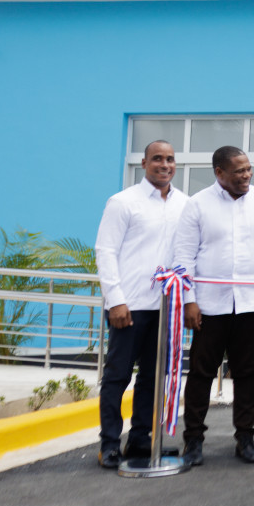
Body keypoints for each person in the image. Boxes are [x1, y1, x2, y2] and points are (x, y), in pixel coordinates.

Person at [173, 145, 254, 466]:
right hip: (208, 306)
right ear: (219, 172)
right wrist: (189, 301)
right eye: (238, 171)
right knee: (201, 373)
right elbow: (184, 255)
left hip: (251, 304)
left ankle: (245, 437)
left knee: (246, 374)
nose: (246, 175)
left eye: (248, 169)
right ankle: (193, 440)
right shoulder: (197, 204)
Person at [94, 140, 188, 469]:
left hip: (166, 307)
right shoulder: (123, 202)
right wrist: (115, 300)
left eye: (170, 159)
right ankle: (109, 444)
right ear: (144, 163)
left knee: (153, 377)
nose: (165, 164)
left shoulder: (185, 204)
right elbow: (105, 251)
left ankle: (140, 440)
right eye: (157, 158)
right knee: (117, 376)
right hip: (129, 305)